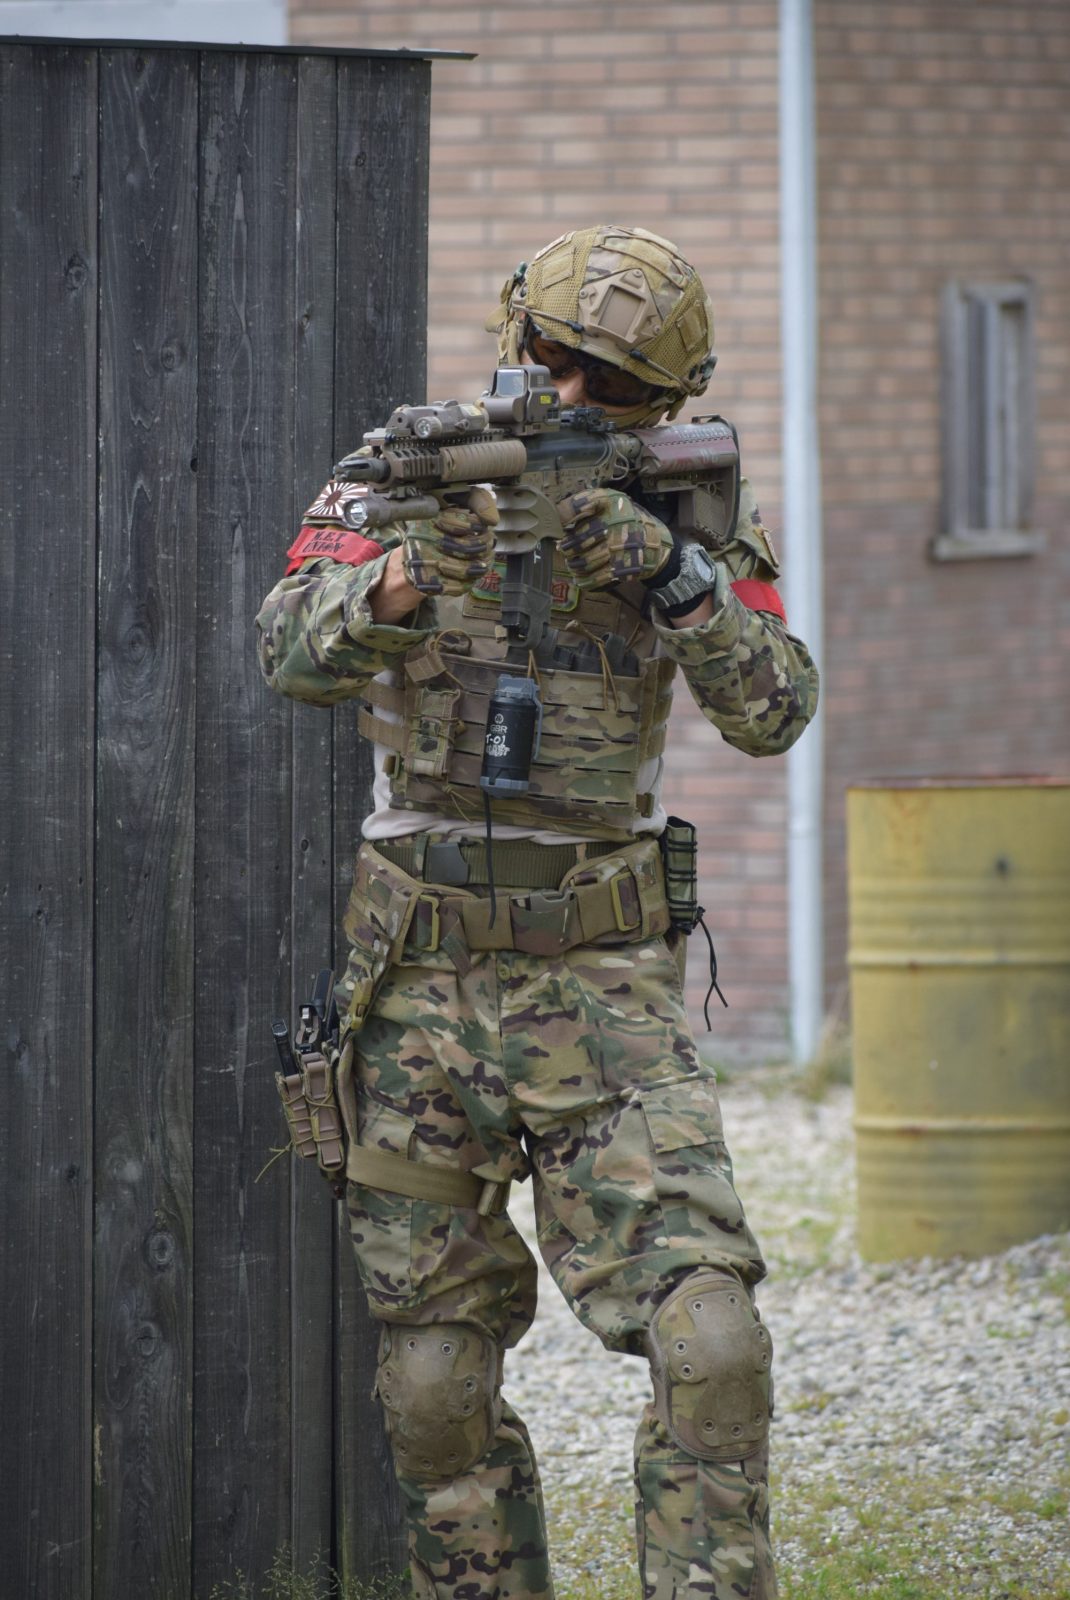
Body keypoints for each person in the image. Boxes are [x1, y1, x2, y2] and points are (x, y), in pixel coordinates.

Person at [256, 224, 819, 1600]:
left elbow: (775, 707)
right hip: (418, 990)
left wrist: (666, 576)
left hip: (604, 988)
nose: (568, 397)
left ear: (666, 399)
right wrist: (404, 579)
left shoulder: (688, 501)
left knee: (709, 1345)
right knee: (433, 1380)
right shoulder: (404, 476)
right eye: (554, 360)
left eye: (609, 384)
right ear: (516, 341)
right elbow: (287, 653)